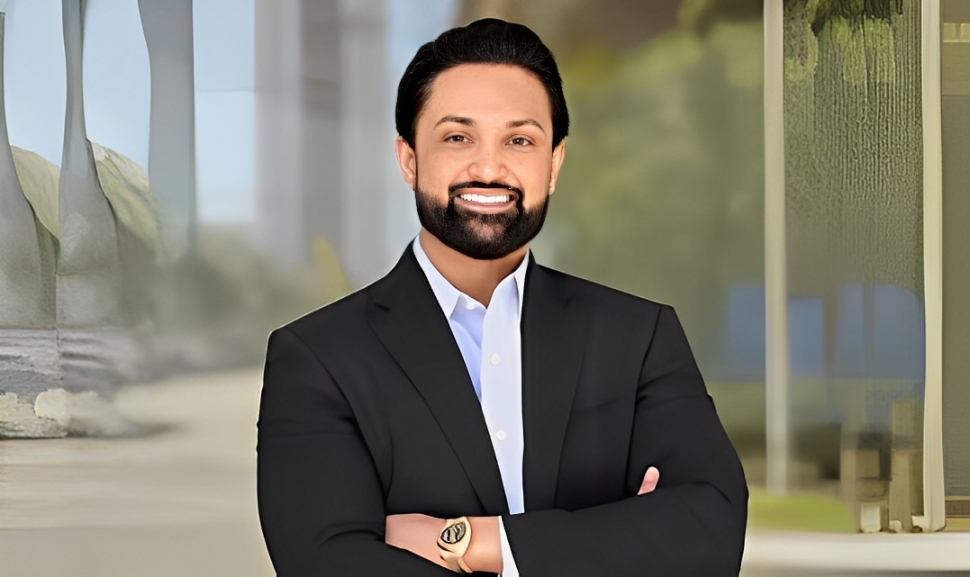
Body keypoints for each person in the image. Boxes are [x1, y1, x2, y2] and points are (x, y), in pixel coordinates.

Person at [257, 18, 747, 576]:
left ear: (553, 164)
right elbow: (328, 564)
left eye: (519, 140)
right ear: (409, 159)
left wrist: (468, 542)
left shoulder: (638, 337)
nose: (489, 168)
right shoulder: (319, 358)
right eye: (457, 137)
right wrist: (618, 543)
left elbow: (710, 530)